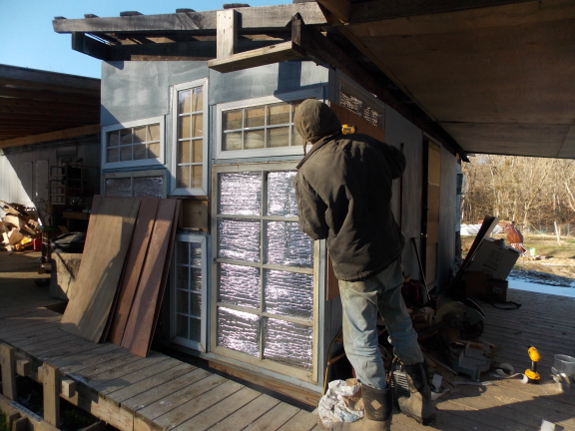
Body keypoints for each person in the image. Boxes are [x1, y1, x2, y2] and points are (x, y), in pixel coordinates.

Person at [293, 100, 435, 430]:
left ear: (305, 133)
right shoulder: (364, 144)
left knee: (361, 339)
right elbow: (398, 163)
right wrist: (361, 141)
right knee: (400, 322)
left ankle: (377, 420)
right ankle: (423, 400)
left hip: (355, 267)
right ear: (333, 121)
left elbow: (314, 229)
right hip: (388, 254)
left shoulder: (308, 171)